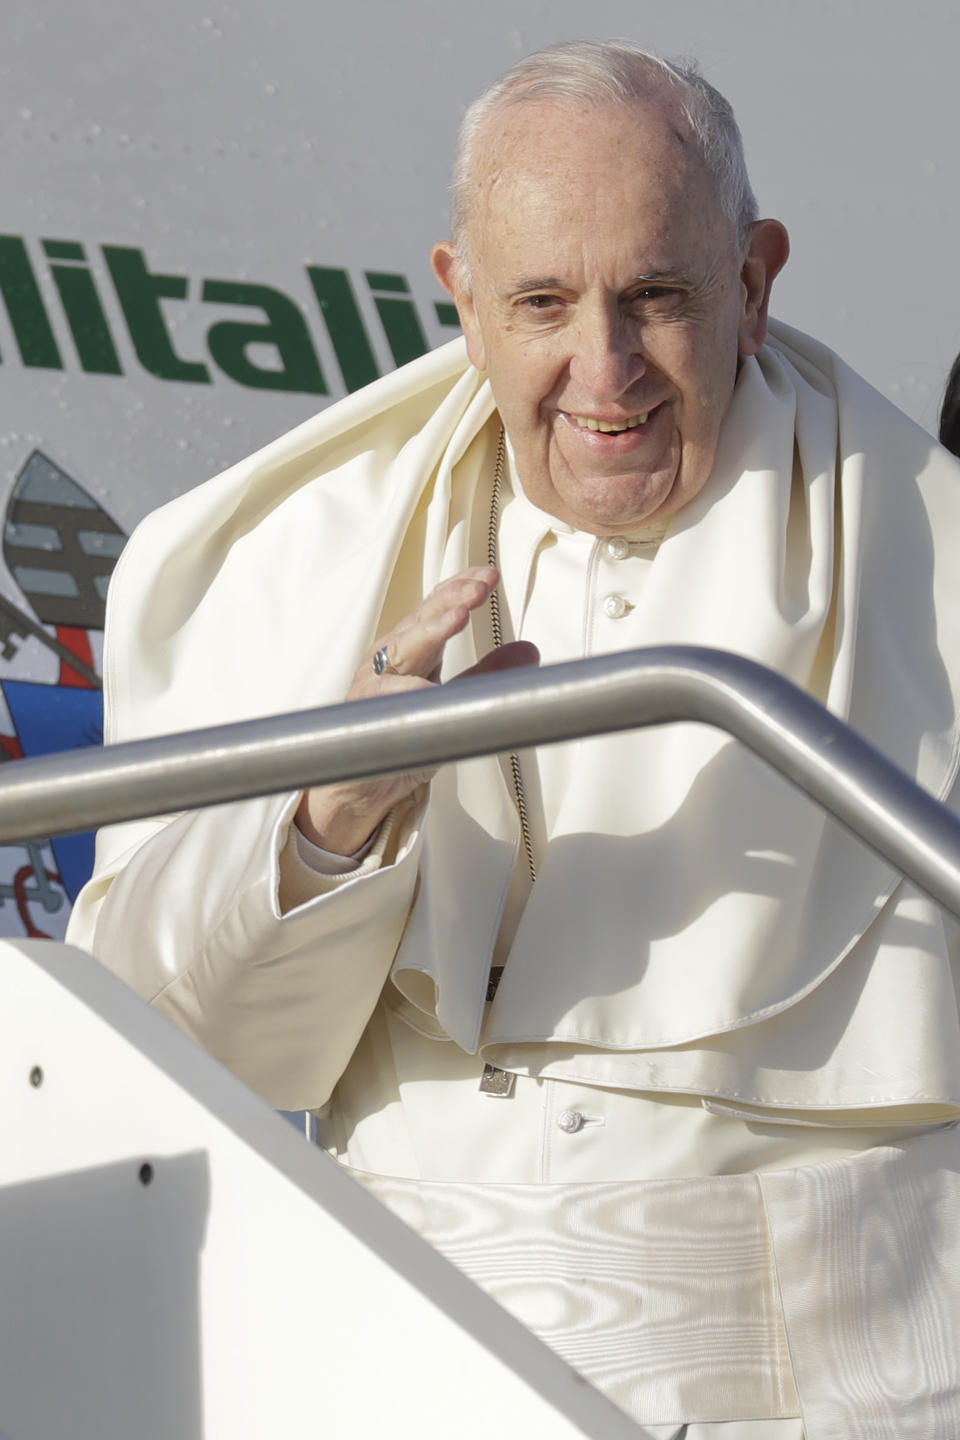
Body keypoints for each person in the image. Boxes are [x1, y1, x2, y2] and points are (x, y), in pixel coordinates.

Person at [67, 41, 960, 1440]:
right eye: (543, 303)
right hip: (393, 1374)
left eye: (656, 296)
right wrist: (330, 825)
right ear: (461, 302)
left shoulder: (938, 555)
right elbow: (159, 1059)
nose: (604, 373)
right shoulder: (292, 561)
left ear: (754, 280)